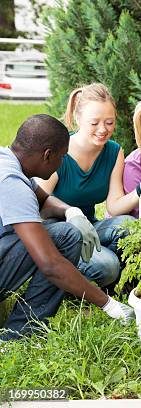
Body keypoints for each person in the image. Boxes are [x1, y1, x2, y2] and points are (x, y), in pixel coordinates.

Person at [0, 114, 133, 341]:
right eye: (62, 157)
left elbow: (40, 197)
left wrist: (72, 212)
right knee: (64, 238)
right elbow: (50, 264)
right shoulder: (11, 183)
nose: (62, 164)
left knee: (66, 232)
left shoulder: (8, 161)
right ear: (47, 155)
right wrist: (108, 305)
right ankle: (17, 336)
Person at [36, 83, 141, 289]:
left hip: (90, 225)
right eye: (94, 123)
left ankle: (114, 282)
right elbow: (38, 205)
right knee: (108, 266)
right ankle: (63, 281)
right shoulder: (60, 152)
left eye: (109, 122)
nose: (103, 130)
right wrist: (70, 214)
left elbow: (113, 207)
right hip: (58, 233)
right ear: (78, 119)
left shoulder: (113, 152)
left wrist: (139, 191)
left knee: (130, 226)